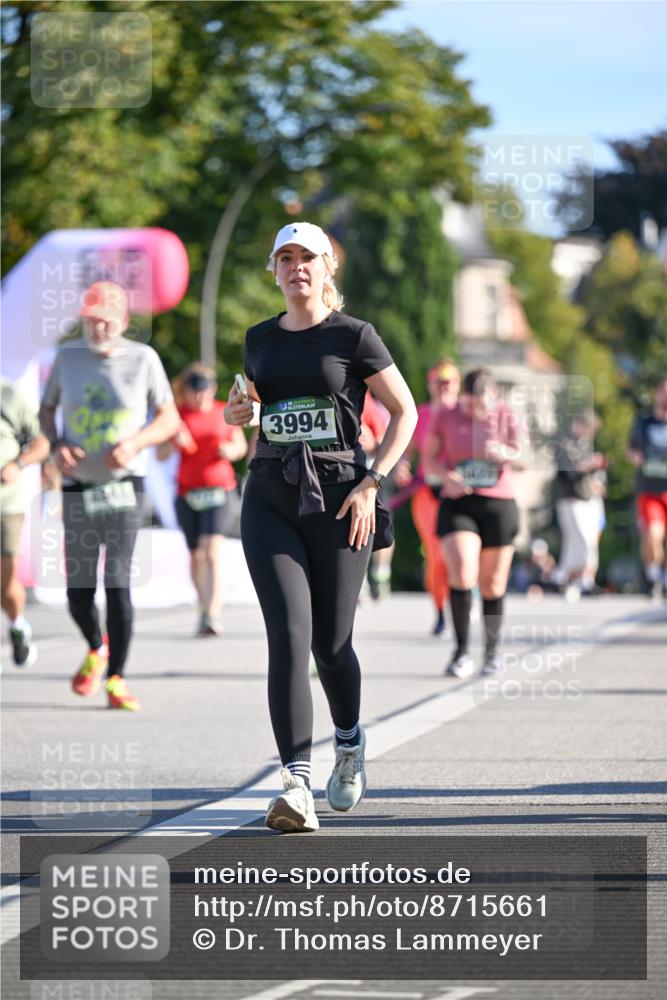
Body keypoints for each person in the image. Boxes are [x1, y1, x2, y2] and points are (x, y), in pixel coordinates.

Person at [224, 222, 417, 833]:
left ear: (328, 267)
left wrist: (373, 481)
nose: (296, 267)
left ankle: (350, 742)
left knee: (330, 645)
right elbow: (257, 413)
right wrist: (238, 414)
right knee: (287, 634)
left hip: (340, 498)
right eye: (285, 257)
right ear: (274, 270)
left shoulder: (354, 337)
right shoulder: (258, 339)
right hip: (271, 494)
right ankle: (296, 786)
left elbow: (404, 413)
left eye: (308, 257)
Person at [39, 280, 179, 710]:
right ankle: (96, 647)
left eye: (105, 321)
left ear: (123, 322)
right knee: (78, 590)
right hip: (80, 486)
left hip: (125, 488)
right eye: (90, 320)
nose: (97, 328)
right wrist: (59, 443)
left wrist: (135, 444)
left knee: (117, 581)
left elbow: (169, 419)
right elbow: (46, 412)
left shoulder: (143, 360)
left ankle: (117, 678)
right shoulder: (67, 359)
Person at [423, 367, 523, 678]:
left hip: (499, 502)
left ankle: (492, 653)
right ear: (463, 397)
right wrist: (446, 476)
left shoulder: (507, 414)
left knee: (493, 583)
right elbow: (428, 460)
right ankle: (461, 651)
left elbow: (526, 457)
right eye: (472, 403)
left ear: (494, 397)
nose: (478, 410)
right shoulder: (446, 414)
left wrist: (505, 452)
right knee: (463, 571)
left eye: (484, 403)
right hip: (459, 501)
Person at [157, 362, 248, 635]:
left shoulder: (223, 412)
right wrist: (173, 442)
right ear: (187, 390)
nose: (201, 396)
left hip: (219, 490)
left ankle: (213, 613)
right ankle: (202, 607)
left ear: (213, 389)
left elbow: (240, 446)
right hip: (188, 493)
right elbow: (159, 454)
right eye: (195, 391)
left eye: (206, 390)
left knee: (212, 549)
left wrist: (229, 450)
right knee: (196, 555)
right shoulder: (176, 415)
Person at [394, 360, 460, 635]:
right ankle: (441, 610)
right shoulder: (420, 415)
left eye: (449, 383)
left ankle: (463, 603)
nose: (444, 388)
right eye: (439, 383)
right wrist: (401, 464)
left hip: (461, 494)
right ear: (431, 384)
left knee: (459, 554)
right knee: (435, 554)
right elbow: (406, 450)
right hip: (427, 494)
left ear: (457, 385)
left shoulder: (466, 415)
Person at [1, 377, 50, 666]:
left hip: (5, 504)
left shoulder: (8, 394)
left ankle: (18, 624)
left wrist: (17, 465)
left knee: (4, 583)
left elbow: (42, 442)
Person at [552, 410, 607, 601]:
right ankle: (565, 577)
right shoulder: (564, 445)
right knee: (580, 541)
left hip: (590, 499)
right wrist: (587, 465)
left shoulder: (587, 446)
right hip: (572, 500)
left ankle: (579, 580)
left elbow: (596, 474)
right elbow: (568, 473)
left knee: (588, 542)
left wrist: (599, 480)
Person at [628, 377, 667, 600]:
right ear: (656, 394)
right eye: (663, 391)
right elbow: (632, 449)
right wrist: (639, 459)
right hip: (649, 488)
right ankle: (653, 576)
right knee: (653, 534)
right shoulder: (644, 422)